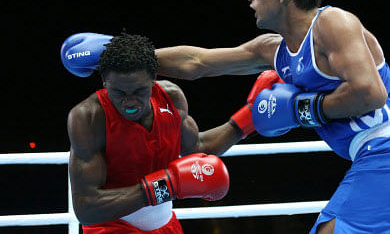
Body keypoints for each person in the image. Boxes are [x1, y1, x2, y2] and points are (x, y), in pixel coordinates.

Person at [151, 0, 390, 233]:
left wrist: (302, 109)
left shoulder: (332, 23)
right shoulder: (272, 51)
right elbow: (198, 61)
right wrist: (120, 54)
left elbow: (370, 93)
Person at [61, 32, 283, 233]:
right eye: (118, 92)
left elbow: (197, 148)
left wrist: (251, 116)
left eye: (139, 91)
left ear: (153, 79)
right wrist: (166, 185)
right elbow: (86, 209)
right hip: (112, 228)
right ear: (104, 82)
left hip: (166, 226)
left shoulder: (171, 99)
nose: (129, 101)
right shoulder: (88, 118)